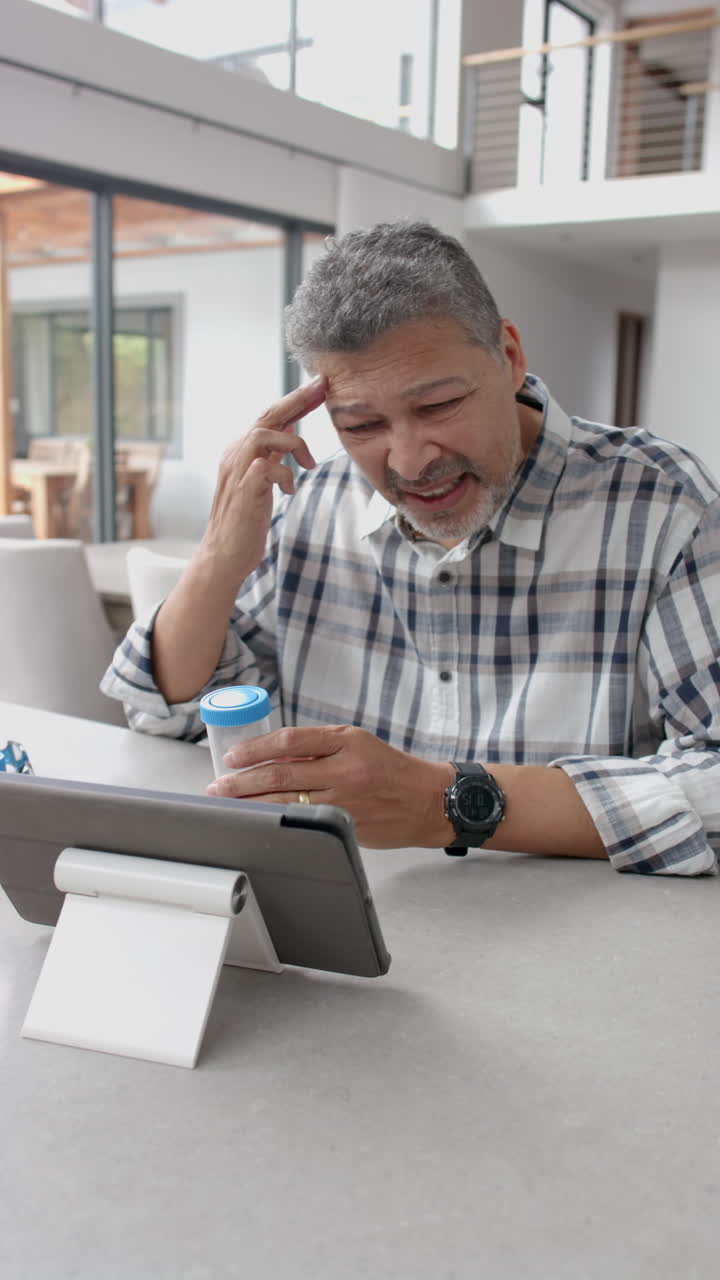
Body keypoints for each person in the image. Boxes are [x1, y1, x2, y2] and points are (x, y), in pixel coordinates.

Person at [102, 220, 720, 874]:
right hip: (343, 922)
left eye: (440, 405)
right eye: (362, 424)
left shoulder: (661, 506)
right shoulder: (314, 498)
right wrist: (215, 562)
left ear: (509, 356)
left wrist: (445, 803)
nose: (409, 459)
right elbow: (170, 717)